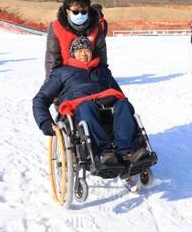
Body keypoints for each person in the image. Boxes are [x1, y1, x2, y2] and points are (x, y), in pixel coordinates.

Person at [33, 37, 151, 167]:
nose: (83, 54)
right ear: (73, 54)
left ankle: (127, 151)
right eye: (79, 51)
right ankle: (102, 153)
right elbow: (40, 99)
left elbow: (120, 95)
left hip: (107, 110)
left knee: (123, 104)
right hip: (79, 111)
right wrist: (45, 122)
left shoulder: (103, 71)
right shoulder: (62, 72)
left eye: (87, 50)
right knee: (86, 106)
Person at [45, 0, 108, 79]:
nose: (80, 15)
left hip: (90, 77)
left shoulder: (96, 26)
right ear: (67, 10)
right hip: (66, 78)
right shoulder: (56, 27)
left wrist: (104, 79)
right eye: (75, 12)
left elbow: (101, 57)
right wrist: (51, 84)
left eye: (83, 11)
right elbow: (52, 60)